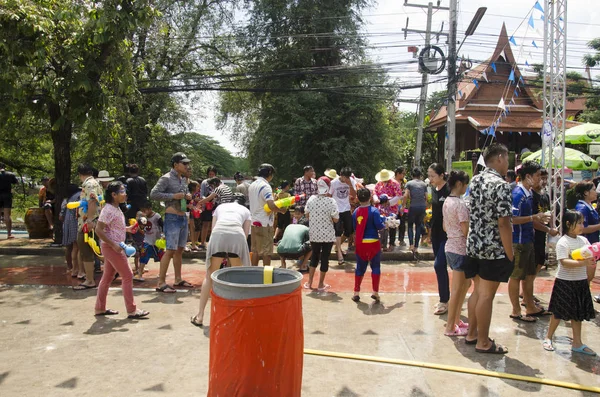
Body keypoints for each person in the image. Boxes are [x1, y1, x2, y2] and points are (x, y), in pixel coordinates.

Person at [465, 143, 513, 354]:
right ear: (500, 158)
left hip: (473, 245)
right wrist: (510, 253)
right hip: (493, 248)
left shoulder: (475, 180)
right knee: (486, 295)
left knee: (477, 291)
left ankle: (472, 333)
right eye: (508, 159)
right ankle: (483, 342)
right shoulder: (501, 185)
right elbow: (504, 223)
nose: (508, 164)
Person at [191, 193, 251, 327]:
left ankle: (200, 316)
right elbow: (245, 235)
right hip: (237, 236)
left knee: (209, 276)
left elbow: (213, 229)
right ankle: (238, 315)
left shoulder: (220, 207)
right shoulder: (246, 211)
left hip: (218, 235)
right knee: (238, 277)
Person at [543, 210, 596, 355]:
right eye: (579, 223)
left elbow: (590, 254)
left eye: (582, 222)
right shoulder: (563, 242)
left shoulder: (583, 241)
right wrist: (583, 263)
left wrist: (592, 258)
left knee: (577, 314)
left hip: (580, 282)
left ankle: (577, 342)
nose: (582, 225)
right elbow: (564, 262)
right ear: (568, 224)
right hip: (565, 281)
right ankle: (548, 337)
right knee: (557, 312)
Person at [94, 181, 149, 319]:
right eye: (122, 192)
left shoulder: (115, 208)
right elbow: (98, 230)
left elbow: (111, 228)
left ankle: (100, 308)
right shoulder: (108, 210)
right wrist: (113, 245)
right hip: (113, 247)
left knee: (107, 277)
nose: (125, 194)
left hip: (114, 246)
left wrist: (127, 229)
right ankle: (132, 310)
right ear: (113, 195)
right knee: (128, 275)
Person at [508, 161, 552, 323]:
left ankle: (530, 306)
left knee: (530, 274)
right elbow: (512, 219)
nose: (540, 180)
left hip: (529, 240)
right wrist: (534, 217)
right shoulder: (518, 194)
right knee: (516, 277)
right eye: (537, 176)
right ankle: (516, 310)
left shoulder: (529, 194)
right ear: (528, 177)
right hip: (519, 242)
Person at [149, 152, 193, 293]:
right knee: (170, 250)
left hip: (182, 217)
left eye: (187, 163)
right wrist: (173, 195)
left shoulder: (183, 179)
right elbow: (153, 194)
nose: (187, 166)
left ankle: (178, 279)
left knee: (179, 250)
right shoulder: (166, 178)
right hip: (172, 218)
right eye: (184, 163)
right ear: (175, 165)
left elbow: (182, 197)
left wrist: (187, 198)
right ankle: (161, 282)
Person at [442, 171, 474, 336]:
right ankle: (450, 327)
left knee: (464, 286)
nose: (467, 187)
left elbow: (445, 227)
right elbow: (465, 230)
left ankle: (455, 321)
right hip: (460, 249)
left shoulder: (447, 201)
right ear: (460, 184)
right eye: (466, 184)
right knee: (457, 290)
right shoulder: (460, 204)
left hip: (451, 247)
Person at [304, 178, 339, 291]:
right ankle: (320, 284)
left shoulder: (311, 199)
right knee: (325, 258)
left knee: (314, 256)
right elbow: (336, 219)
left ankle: (309, 283)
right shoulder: (331, 201)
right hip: (327, 235)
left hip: (314, 234)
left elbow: (307, 215)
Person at [73, 164, 104, 290]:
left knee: (87, 250)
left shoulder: (89, 184)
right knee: (96, 251)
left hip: (89, 223)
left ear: (80, 174)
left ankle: (90, 280)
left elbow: (92, 201)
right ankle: (90, 279)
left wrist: (90, 220)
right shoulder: (96, 183)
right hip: (93, 221)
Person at [352, 188, 385, 303]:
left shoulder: (356, 211)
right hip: (373, 243)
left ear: (358, 198)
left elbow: (355, 227)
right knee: (375, 267)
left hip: (360, 243)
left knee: (360, 268)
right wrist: (384, 222)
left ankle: (356, 292)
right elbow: (379, 226)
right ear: (370, 198)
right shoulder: (374, 211)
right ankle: (375, 292)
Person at [249, 163, 285, 266]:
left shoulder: (252, 185)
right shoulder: (266, 186)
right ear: (269, 173)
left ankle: (254, 272)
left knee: (255, 250)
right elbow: (271, 205)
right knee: (267, 252)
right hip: (265, 223)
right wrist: (281, 210)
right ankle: (266, 277)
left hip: (254, 222)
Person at [530, 169, 558, 303]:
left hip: (542, 235)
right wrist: (548, 229)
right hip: (532, 236)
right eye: (541, 178)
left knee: (540, 262)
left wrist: (551, 226)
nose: (544, 181)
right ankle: (526, 295)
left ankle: (527, 293)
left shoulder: (545, 195)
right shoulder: (530, 196)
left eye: (546, 178)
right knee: (531, 265)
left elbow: (548, 213)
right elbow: (533, 221)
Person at [428, 163, 450, 315]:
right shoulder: (433, 190)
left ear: (442, 175)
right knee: (440, 267)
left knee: (439, 264)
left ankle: (444, 300)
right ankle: (445, 298)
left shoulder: (449, 190)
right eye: (429, 176)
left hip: (447, 234)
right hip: (435, 233)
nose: (430, 179)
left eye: (433, 176)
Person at [329, 167, 357, 265]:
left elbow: (354, 195)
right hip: (336, 210)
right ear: (341, 175)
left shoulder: (351, 181)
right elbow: (329, 195)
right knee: (338, 231)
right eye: (345, 177)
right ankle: (339, 254)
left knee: (349, 230)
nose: (346, 179)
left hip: (346, 208)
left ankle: (337, 246)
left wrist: (349, 184)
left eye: (348, 177)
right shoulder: (334, 183)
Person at [574, 181, 600, 284]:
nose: (596, 192)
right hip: (586, 248)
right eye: (593, 190)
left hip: (592, 247)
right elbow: (582, 228)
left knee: (589, 276)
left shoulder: (589, 206)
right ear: (585, 193)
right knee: (586, 276)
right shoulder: (582, 208)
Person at [373, 169, 402, 252]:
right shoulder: (379, 184)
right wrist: (376, 199)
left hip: (392, 207)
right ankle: (383, 244)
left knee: (392, 225)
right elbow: (375, 193)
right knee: (382, 226)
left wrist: (389, 202)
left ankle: (392, 244)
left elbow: (398, 195)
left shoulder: (394, 183)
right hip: (381, 208)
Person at [403, 167, 428, 258]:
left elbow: (406, 195)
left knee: (410, 225)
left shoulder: (409, 183)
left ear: (412, 175)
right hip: (421, 207)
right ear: (420, 175)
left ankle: (411, 245)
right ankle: (416, 247)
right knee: (418, 225)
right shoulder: (424, 184)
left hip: (413, 207)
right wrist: (424, 206)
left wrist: (403, 206)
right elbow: (426, 197)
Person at [136, 201, 164, 282]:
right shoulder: (143, 218)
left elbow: (163, 225)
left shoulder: (157, 216)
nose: (144, 213)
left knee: (162, 257)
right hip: (147, 241)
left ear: (150, 209)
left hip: (157, 241)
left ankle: (162, 273)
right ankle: (140, 273)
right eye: (143, 211)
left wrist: (164, 235)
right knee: (143, 257)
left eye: (145, 211)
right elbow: (141, 228)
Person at [60, 184, 82, 278]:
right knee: (79, 247)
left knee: (72, 247)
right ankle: (79, 270)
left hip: (68, 224)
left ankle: (72, 269)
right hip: (76, 222)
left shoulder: (67, 199)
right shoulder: (79, 196)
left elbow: (60, 216)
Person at [198, 166, 217, 250]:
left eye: (213, 174)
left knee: (215, 225)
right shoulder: (204, 182)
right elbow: (201, 194)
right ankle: (202, 242)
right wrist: (206, 200)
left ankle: (214, 243)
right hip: (206, 205)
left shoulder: (218, 182)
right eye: (210, 174)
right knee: (205, 224)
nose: (211, 175)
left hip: (215, 206)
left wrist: (214, 200)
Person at [0, 163, 19, 240]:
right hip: (7, 195)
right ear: (5, 167)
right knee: (7, 215)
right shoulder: (10, 174)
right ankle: (9, 234)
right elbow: (16, 182)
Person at [392, 167, 408, 246]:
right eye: (403, 173)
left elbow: (405, 193)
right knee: (393, 222)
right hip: (394, 206)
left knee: (402, 222)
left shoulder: (404, 182)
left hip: (403, 205)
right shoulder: (391, 181)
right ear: (398, 173)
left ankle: (401, 239)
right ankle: (392, 240)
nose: (404, 175)